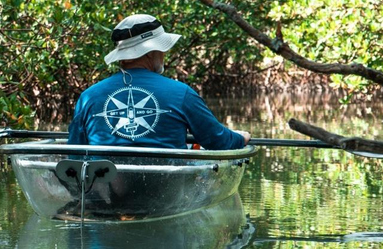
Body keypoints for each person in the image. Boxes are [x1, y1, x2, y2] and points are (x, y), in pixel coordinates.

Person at [68, 14, 251, 149]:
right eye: (161, 48)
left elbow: (74, 152)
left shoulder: (88, 97)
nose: (163, 54)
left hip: (106, 192)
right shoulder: (181, 93)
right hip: (167, 189)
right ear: (150, 52)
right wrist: (240, 138)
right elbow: (218, 141)